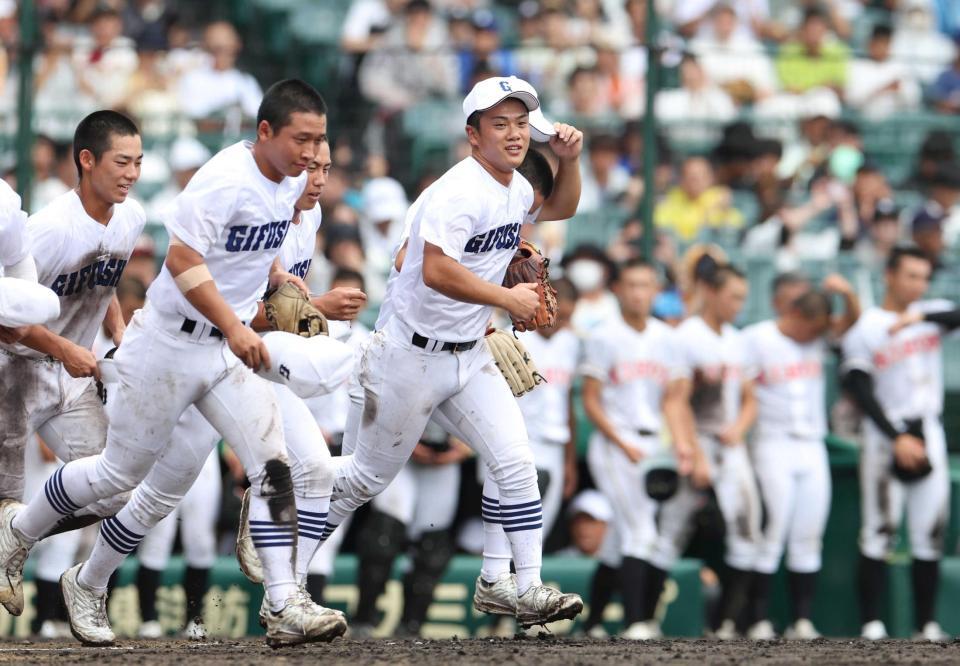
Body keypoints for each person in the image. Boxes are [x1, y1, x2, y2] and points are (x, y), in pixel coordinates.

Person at [0, 80, 342, 648]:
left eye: (320, 141)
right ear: (265, 132)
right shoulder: (225, 179)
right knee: (119, 478)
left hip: (218, 351)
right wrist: (235, 324)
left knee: (272, 466)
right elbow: (183, 260)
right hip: (164, 345)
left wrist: (279, 279)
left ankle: (285, 602)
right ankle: (20, 532)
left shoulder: (288, 185)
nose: (311, 155)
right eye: (301, 140)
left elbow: (257, 248)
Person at [319, 75, 585, 629]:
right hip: (409, 356)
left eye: (520, 124)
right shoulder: (458, 191)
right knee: (364, 481)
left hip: (468, 353)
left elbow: (558, 208)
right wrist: (502, 293)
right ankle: (283, 538)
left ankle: (512, 584)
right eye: (500, 124)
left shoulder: (512, 187)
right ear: (473, 134)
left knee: (515, 462)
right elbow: (432, 269)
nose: (514, 135)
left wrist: (568, 160)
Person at [0, 111, 144, 527]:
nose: (132, 173)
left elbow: (104, 279)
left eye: (138, 162)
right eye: (121, 162)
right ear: (87, 159)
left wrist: (117, 330)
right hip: (14, 373)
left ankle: (17, 541)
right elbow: (6, 315)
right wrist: (63, 349)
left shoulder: (131, 217)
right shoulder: (50, 229)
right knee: (5, 500)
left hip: (71, 375)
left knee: (115, 492)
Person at [841, 246, 953, 642]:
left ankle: (926, 625)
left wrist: (919, 316)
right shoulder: (868, 326)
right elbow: (857, 385)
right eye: (911, 275)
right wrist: (896, 437)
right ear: (889, 275)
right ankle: (871, 625)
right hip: (886, 432)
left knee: (930, 533)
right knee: (878, 530)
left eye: (923, 276)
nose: (919, 284)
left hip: (929, 428)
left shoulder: (930, 313)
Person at [741, 275, 859, 640]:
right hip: (772, 440)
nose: (811, 335)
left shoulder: (818, 338)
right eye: (806, 327)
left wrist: (848, 294)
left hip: (811, 443)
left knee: (808, 532)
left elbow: (851, 323)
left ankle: (802, 619)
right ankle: (758, 618)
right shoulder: (757, 338)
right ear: (791, 312)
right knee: (772, 527)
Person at [648, 265, 760, 640]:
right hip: (694, 443)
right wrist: (693, 453)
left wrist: (740, 427)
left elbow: (749, 399)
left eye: (742, 297)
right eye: (733, 296)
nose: (738, 305)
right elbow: (675, 401)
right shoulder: (687, 336)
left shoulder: (737, 339)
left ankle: (726, 624)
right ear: (711, 292)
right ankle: (645, 620)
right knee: (670, 532)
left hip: (730, 446)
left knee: (747, 530)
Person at [581, 259, 690, 641]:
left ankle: (592, 623)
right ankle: (636, 622)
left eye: (645, 285)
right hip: (616, 442)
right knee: (641, 532)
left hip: (653, 444)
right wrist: (621, 441)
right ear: (618, 290)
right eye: (630, 285)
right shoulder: (603, 335)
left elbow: (676, 397)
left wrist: (682, 444)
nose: (638, 292)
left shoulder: (667, 338)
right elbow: (590, 400)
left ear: (656, 291)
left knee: (618, 542)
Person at [351, 421, 470, 638]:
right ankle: (363, 619)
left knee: (432, 546)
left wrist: (464, 448)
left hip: (444, 459)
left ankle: (411, 626)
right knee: (383, 535)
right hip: (396, 453)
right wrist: (402, 440)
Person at [515, 277, 581, 542]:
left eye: (566, 318)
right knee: (514, 532)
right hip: (521, 443)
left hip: (555, 445)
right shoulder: (514, 338)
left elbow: (567, 405)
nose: (559, 323)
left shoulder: (570, 342)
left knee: (537, 536)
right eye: (557, 314)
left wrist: (569, 462)